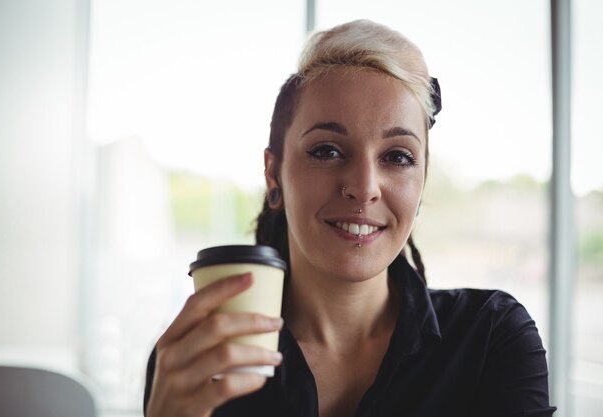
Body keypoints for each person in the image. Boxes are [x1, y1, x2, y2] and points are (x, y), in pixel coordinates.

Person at [143, 20, 556, 417]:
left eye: (397, 157)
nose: (364, 186)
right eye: (326, 150)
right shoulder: (201, 359)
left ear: (421, 182)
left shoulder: (490, 339)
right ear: (274, 174)